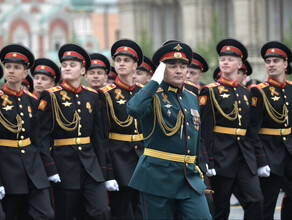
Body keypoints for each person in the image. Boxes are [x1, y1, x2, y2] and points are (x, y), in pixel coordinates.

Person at [127, 41, 212, 219]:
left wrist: (199, 168)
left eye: (183, 66)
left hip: (188, 176)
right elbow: (134, 109)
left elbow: (195, 137)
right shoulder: (151, 95)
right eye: (172, 66)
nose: (179, 70)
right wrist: (154, 82)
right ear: (161, 70)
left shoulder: (191, 96)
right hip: (157, 177)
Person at [38, 43, 112, 219]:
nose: (67, 68)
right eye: (64, 65)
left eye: (73, 65)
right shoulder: (51, 96)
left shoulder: (93, 96)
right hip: (64, 165)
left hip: (90, 166)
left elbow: (99, 137)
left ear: (82, 70)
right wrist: (50, 168)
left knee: (101, 210)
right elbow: (41, 137)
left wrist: (105, 171)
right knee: (66, 213)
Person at [199, 38, 263, 220]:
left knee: (255, 200)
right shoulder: (210, 91)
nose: (225, 62)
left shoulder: (247, 93)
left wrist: (258, 158)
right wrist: (207, 161)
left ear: (240, 64)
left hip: (244, 157)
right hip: (220, 158)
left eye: (230, 59)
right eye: (222, 59)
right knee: (220, 208)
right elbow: (204, 131)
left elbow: (251, 131)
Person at [0, 44, 54, 219]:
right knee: (13, 214)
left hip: (33, 167)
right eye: (8, 67)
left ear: (25, 73)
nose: (11, 71)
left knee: (45, 213)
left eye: (17, 68)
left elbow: (37, 138)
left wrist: (49, 169)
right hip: (6, 166)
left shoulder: (31, 100)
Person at [101, 39, 144, 220]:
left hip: (142, 156)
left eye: (126, 61)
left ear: (135, 65)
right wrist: (108, 170)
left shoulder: (144, 92)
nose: (121, 64)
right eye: (118, 61)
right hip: (118, 157)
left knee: (141, 208)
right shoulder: (105, 93)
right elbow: (102, 135)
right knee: (121, 209)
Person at [250, 41, 292, 220]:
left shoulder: (290, 89)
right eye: (268, 61)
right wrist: (260, 160)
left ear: (285, 63)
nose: (271, 64)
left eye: (276, 60)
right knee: (267, 204)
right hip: (269, 156)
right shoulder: (258, 92)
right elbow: (253, 131)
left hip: (289, 154)